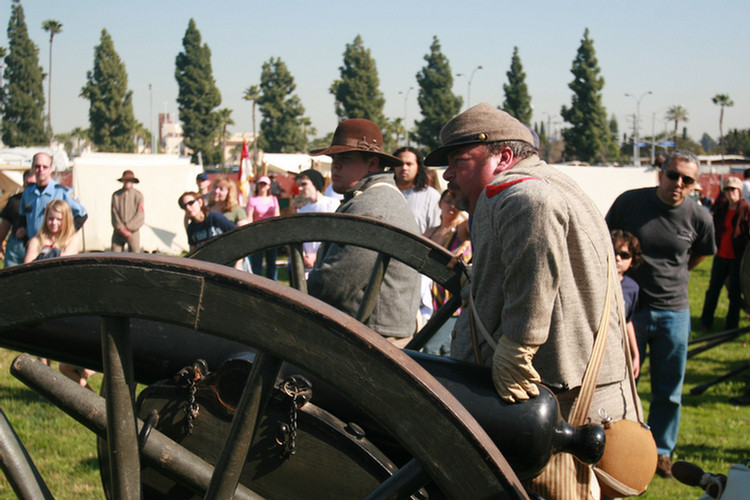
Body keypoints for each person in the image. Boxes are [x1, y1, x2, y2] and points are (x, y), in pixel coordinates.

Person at [425, 103, 636, 499]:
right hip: (577, 391)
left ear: (503, 157)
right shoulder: (555, 183)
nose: (448, 174)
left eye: (459, 160)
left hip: (551, 397)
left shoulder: (519, 191)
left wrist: (519, 344)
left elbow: (533, 207)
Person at [606, 149, 715, 478]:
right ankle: (620, 444)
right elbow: (604, 240)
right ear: (660, 173)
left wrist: (674, 276)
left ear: (694, 185)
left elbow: (698, 256)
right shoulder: (629, 203)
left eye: (687, 179)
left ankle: (662, 452)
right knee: (623, 381)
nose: (678, 183)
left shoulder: (699, 217)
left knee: (669, 388)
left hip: (674, 311)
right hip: (630, 309)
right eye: (673, 175)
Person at [308, 118, 420, 345]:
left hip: (375, 338)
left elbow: (334, 285)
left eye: (345, 159)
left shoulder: (371, 206)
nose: (335, 166)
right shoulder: (372, 198)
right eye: (334, 159)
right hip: (369, 332)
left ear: (372, 164)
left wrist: (298, 293)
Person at [422, 189, 471, 356]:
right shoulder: (430, 232)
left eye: (456, 200)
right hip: (430, 301)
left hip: (451, 304)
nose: (452, 205)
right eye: (448, 200)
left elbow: (474, 219)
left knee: (430, 348)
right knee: (446, 350)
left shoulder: (461, 229)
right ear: (439, 203)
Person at [700, 177, 750, 331]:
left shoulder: (745, 209)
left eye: (733, 189)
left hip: (737, 258)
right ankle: (705, 323)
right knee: (713, 290)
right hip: (721, 256)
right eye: (727, 189)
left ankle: (731, 327)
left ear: (739, 191)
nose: (730, 193)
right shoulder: (722, 208)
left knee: (734, 294)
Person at [20, 152, 87, 241]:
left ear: (51, 169)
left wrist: (65, 235)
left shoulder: (62, 192)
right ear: (32, 168)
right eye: (37, 166)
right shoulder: (27, 192)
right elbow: (22, 217)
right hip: (32, 244)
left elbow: (81, 215)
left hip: (55, 246)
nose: (41, 170)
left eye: (45, 167)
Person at [295, 169, 340, 276]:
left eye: (304, 184)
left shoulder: (332, 204)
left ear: (315, 184)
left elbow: (335, 234)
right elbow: (300, 238)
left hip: (328, 261)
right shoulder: (302, 211)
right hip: (309, 267)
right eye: (299, 185)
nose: (300, 188)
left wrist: (317, 255)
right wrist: (304, 255)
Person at [611, 229, 644, 378]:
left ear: (632, 261)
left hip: (615, 349)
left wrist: (635, 354)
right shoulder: (595, 283)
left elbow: (627, 321)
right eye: (613, 252)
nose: (617, 258)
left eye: (624, 255)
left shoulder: (632, 288)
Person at [392, 146, 441, 234]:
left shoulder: (431, 196)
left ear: (418, 167)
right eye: (400, 164)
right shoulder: (385, 193)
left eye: (409, 164)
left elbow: (435, 231)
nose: (404, 168)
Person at [246, 175, 280, 279]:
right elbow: (249, 218)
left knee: (272, 262)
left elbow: (277, 216)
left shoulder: (273, 199)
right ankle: (257, 283)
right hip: (258, 233)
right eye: (260, 184)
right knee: (257, 262)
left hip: (271, 233)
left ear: (269, 186)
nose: (262, 186)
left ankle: (273, 285)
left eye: (264, 184)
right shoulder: (253, 200)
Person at [0, 168, 35, 267]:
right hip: (16, 245)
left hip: (35, 244)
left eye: (33, 184)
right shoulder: (14, 200)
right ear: (23, 184)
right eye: (27, 183)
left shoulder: (42, 200)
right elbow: (5, 223)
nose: (30, 187)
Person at [110, 170, 145, 253]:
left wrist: (129, 228)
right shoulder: (116, 195)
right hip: (118, 231)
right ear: (123, 181)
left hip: (133, 232)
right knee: (115, 256)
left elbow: (140, 214)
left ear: (133, 182)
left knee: (135, 256)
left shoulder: (138, 195)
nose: (127, 182)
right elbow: (114, 213)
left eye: (130, 180)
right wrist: (121, 228)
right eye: (126, 180)